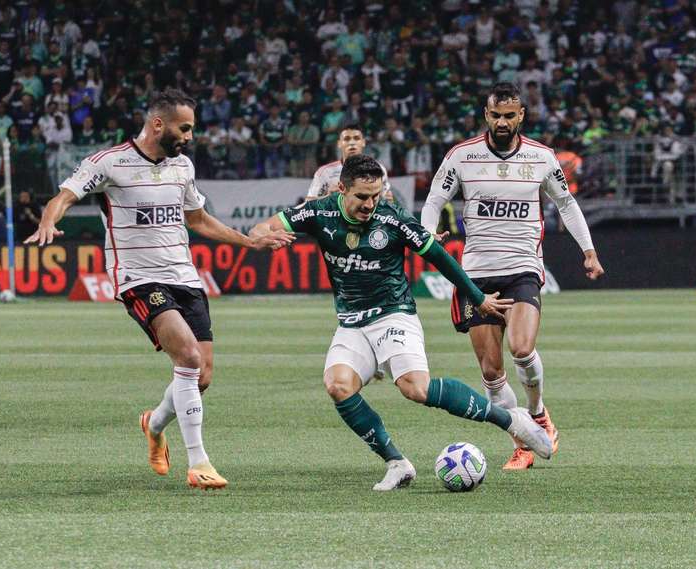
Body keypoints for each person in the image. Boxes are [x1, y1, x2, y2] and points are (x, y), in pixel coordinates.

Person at [24, 89, 294, 490]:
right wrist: (48, 220)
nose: (188, 135)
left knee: (200, 376)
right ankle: (199, 462)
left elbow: (199, 221)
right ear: (157, 124)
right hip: (138, 278)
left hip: (184, 277)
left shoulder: (182, 166)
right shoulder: (110, 163)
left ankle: (154, 423)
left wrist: (250, 242)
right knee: (186, 355)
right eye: (183, 128)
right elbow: (64, 196)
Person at [252, 154, 552, 491]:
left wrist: (477, 296)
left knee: (415, 388)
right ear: (342, 188)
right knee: (338, 386)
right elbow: (265, 226)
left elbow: (440, 258)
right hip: (351, 322)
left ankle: (513, 421)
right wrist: (262, 236)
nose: (369, 204)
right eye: (362, 197)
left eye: (375, 196)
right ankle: (397, 462)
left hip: (394, 314)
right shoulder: (318, 211)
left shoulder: (393, 219)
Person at [421, 83, 604, 470]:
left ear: (521, 115)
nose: (502, 122)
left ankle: (538, 415)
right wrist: (427, 233)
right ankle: (522, 440)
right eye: (495, 115)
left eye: (510, 115)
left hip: (522, 267)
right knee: (491, 371)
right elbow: (435, 199)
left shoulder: (541, 157)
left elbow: (566, 204)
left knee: (521, 348)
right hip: (475, 275)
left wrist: (587, 250)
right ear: (486, 116)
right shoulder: (462, 156)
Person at [306, 123, 393, 202]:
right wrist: (328, 197)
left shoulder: (378, 169)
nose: (352, 143)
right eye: (347, 139)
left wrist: (381, 198)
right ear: (339, 143)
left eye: (356, 138)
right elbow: (308, 202)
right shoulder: (325, 172)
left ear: (363, 142)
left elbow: (388, 201)